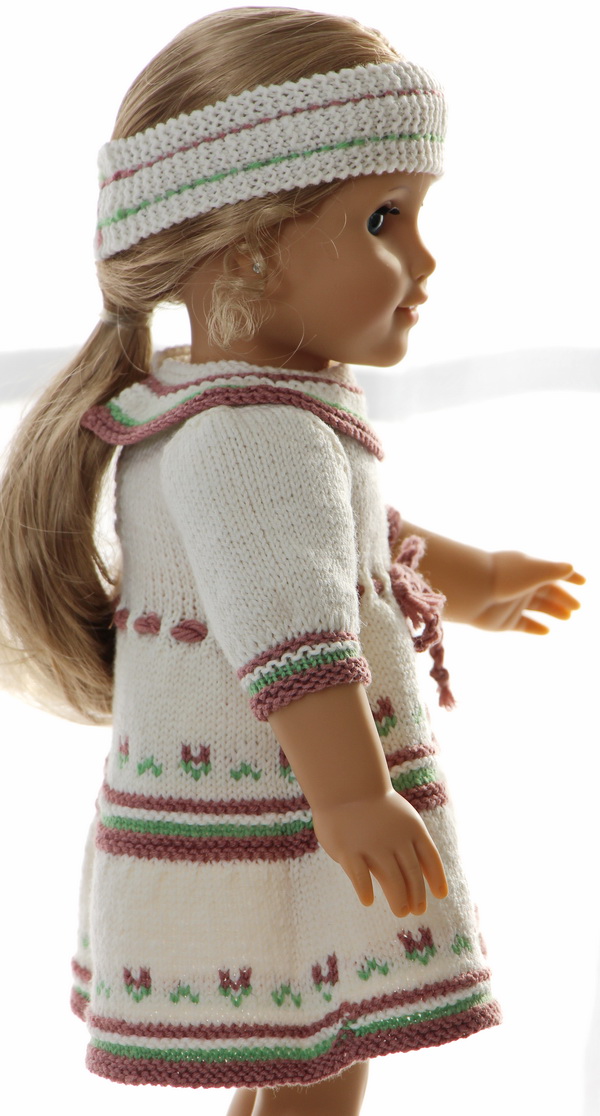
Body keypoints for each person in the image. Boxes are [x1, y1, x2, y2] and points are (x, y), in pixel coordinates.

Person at [0, 8, 584, 1115]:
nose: (424, 259)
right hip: (286, 812)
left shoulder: (220, 407)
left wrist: (483, 578)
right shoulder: (254, 434)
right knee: (326, 1047)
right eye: (383, 219)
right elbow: (293, 627)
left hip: (267, 806)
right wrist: (353, 796)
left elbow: (359, 544)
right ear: (248, 249)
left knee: (299, 1051)